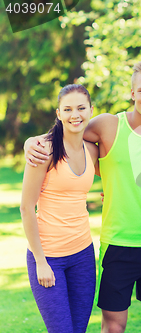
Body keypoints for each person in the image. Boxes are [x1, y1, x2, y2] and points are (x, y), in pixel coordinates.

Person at [24, 60, 141, 333]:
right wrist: (32, 142)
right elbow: (66, 132)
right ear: (132, 93)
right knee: (113, 326)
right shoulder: (108, 125)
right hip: (117, 244)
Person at [20, 84, 99, 333]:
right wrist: (41, 262)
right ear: (58, 113)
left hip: (83, 256)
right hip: (48, 257)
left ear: (90, 110)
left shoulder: (92, 151)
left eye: (80, 108)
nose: (74, 115)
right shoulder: (43, 150)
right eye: (68, 109)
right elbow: (25, 208)